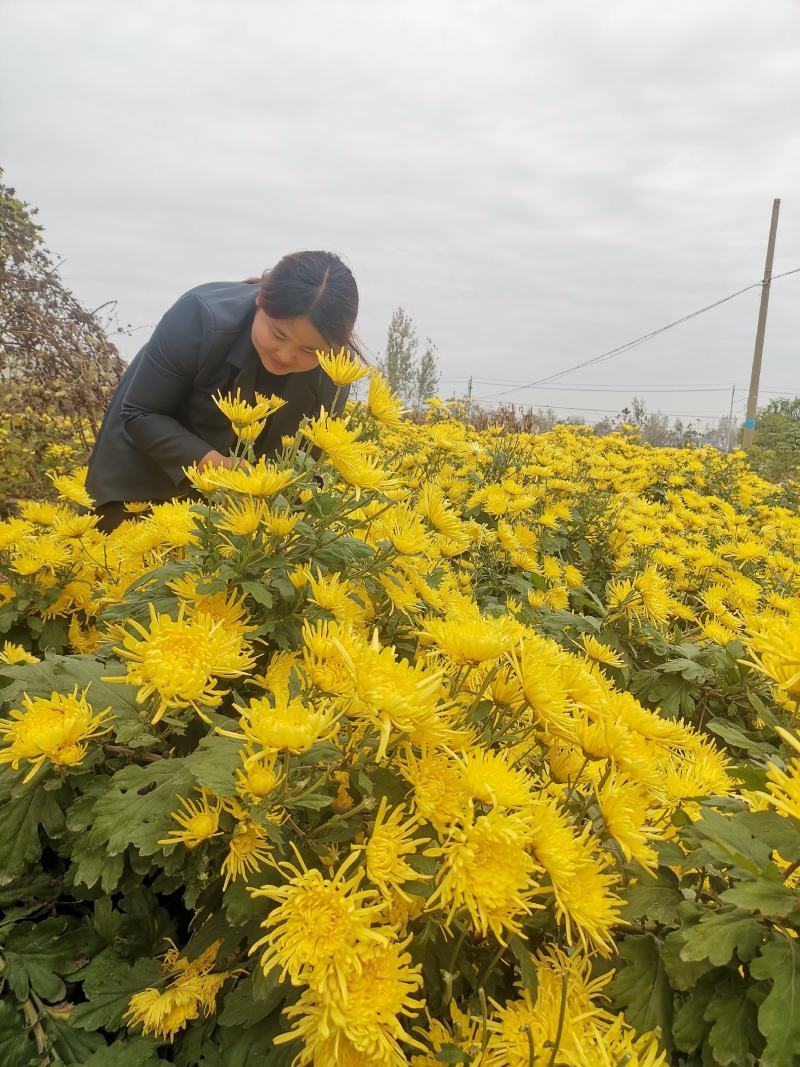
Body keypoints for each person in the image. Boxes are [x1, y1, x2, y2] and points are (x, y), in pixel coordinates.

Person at [85, 250, 359, 532]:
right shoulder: (200, 315)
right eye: (278, 334)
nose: (286, 355)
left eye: (309, 350)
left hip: (237, 511)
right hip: (141, 479)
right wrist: (219, 468)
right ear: (260, 301)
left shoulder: (335, 370)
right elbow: (140, 412)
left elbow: (309, 464)